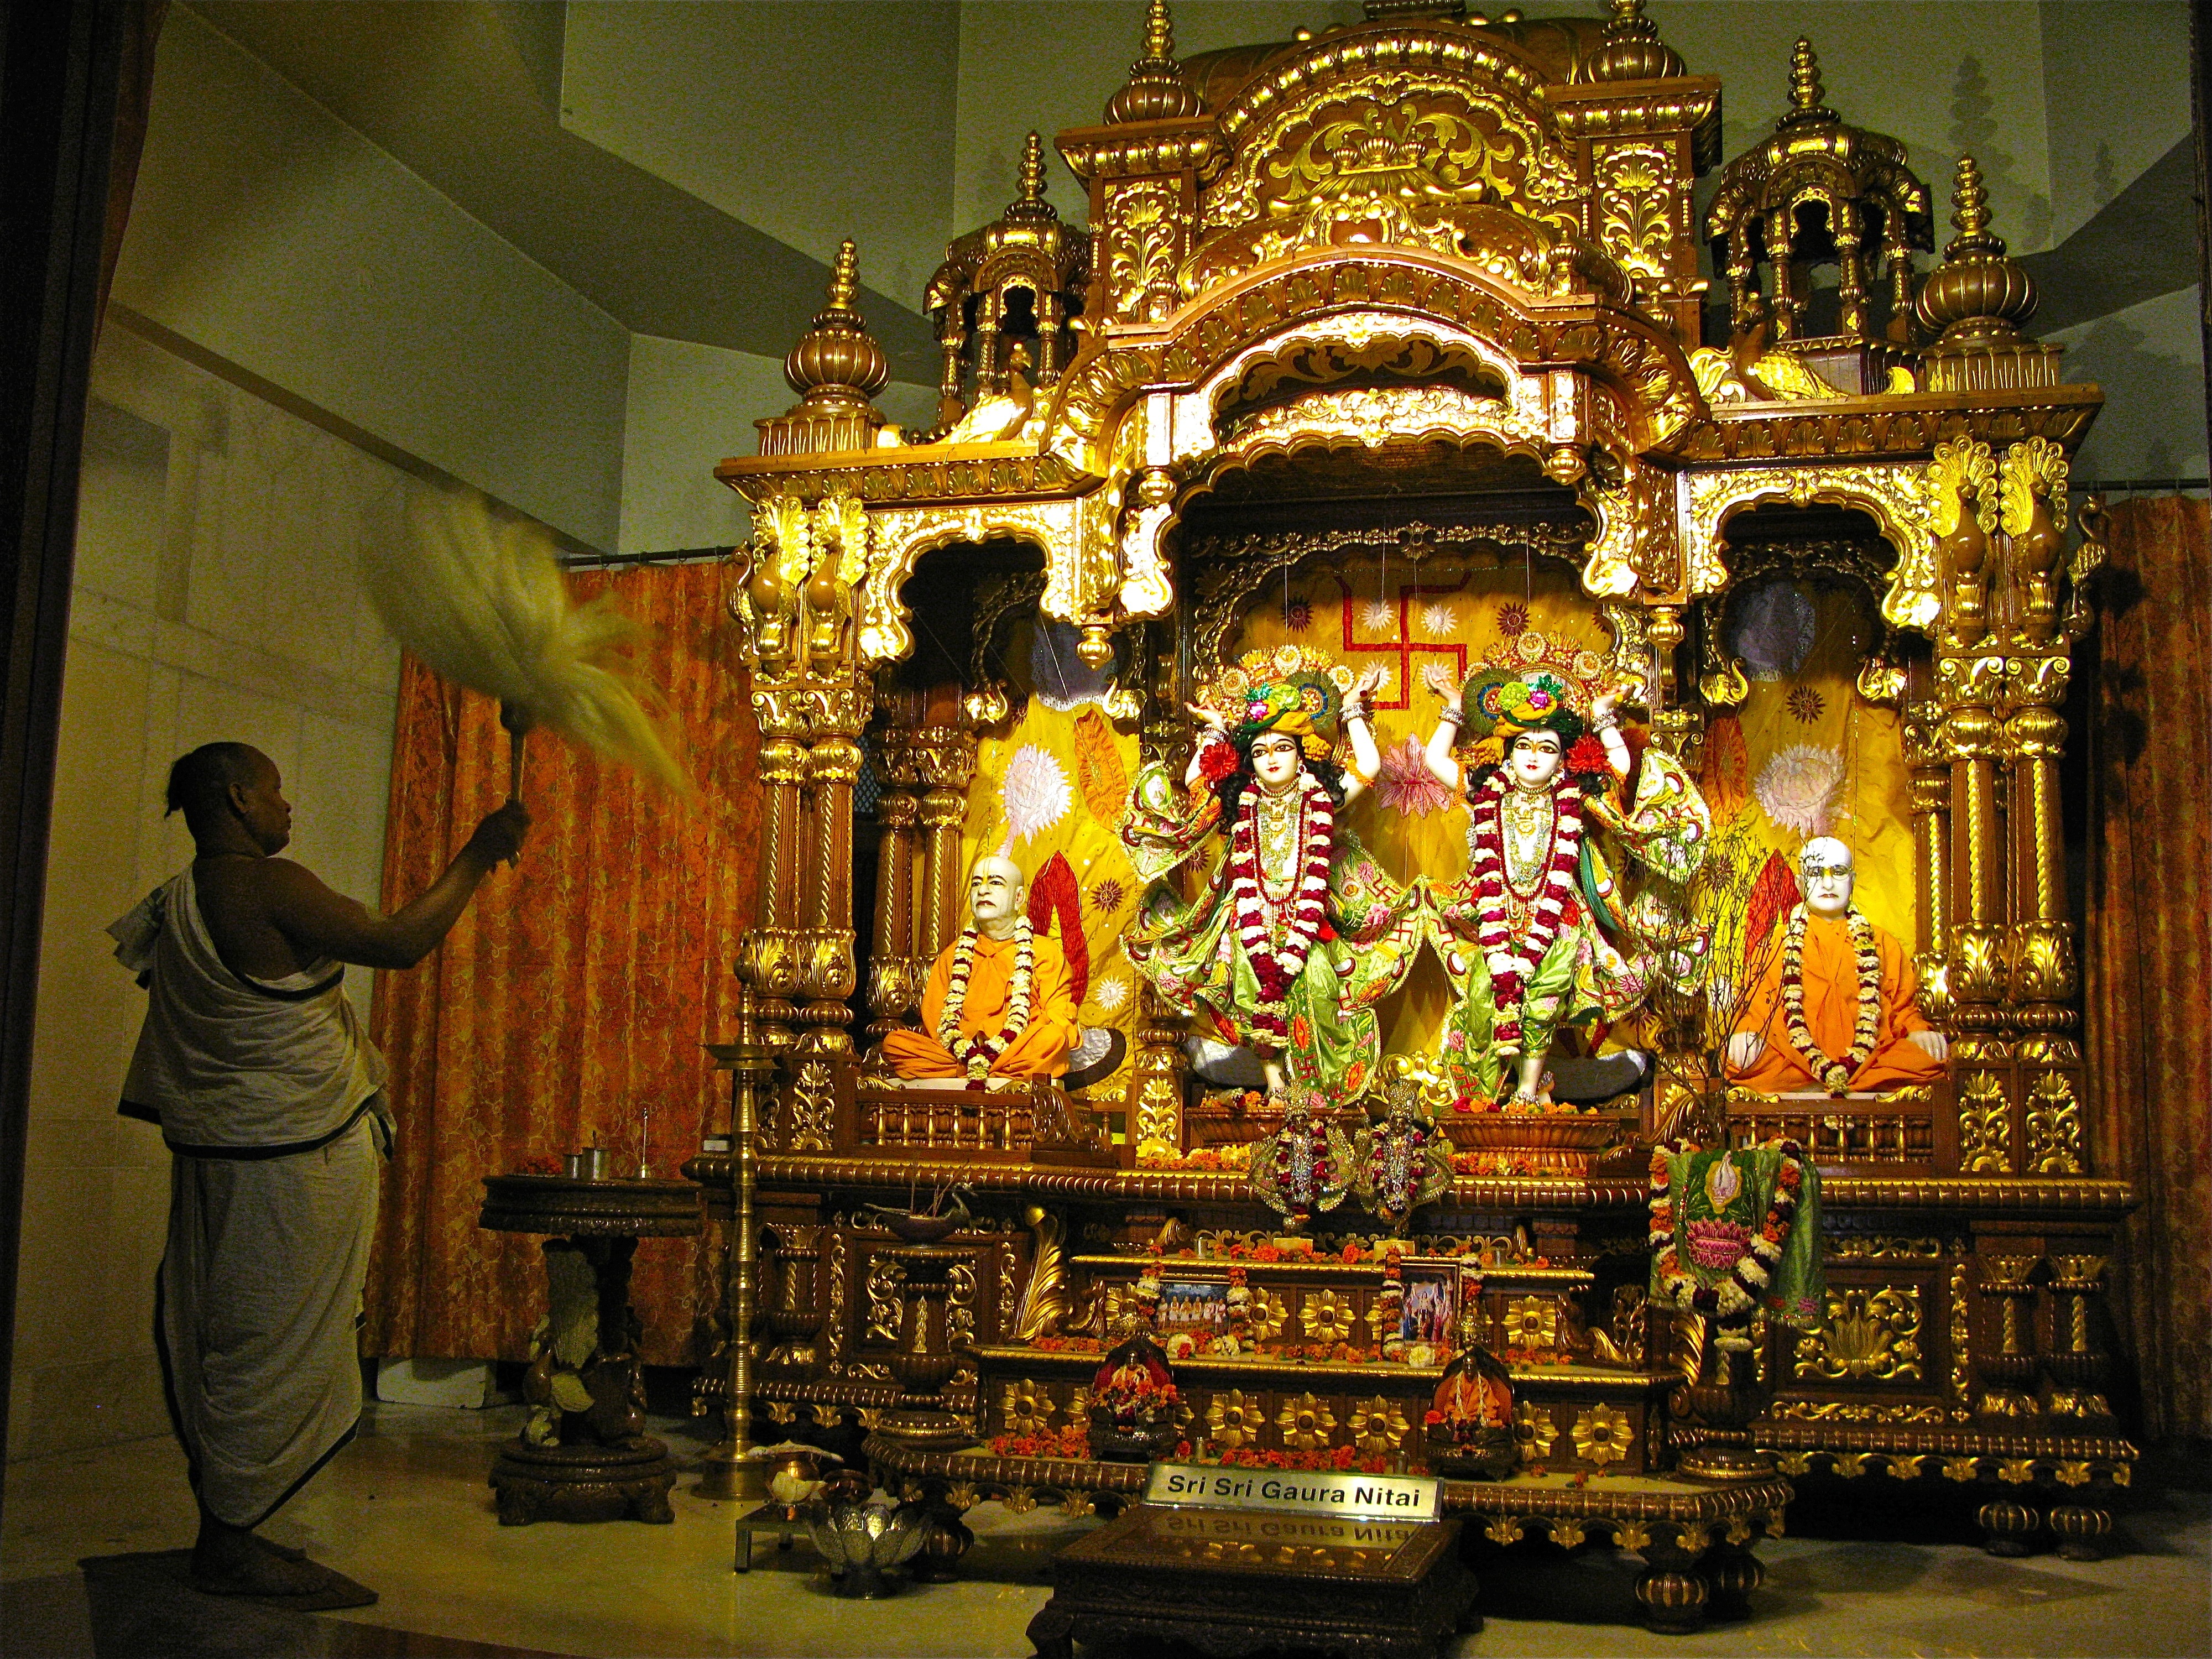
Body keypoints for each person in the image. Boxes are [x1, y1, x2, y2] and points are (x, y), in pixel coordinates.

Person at [108, 742, 528, 1604]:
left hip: (222, 1154)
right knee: (275, 1341)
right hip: (289, 1159)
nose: (286, 807)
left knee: (228, 1334)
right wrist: (479, 854)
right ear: (236, 799)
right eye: (273, 792)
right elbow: (399, 942)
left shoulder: (181, 898)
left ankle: (231, 1524)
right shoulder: (265, 883)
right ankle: (231, 1539)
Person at [1120, 646, 1423, 1098]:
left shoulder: (1318, 797)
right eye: (1260, 751)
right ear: (1249, 761)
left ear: (1301, 754)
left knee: (1319, 990)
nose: (1272, 758)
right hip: (1250, 920)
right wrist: (1215, 731)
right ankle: (1276, 1088)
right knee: (1251, 996)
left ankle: (1319, 1095)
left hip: (1310, 922)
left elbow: (1370, 767)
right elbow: (1193, 780)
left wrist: (1353, 709)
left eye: (1283, 747)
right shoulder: (1241, 803)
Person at [1421, 665, 1710, 1108]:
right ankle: (1488, 1100)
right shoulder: (1487, 794)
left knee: (1542, 1003)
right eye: (1524, 746)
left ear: (1563, 758)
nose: (1534, 756)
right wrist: (1455, 709)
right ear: (1508, 753)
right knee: (1484, 1001)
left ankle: (1527, 1095)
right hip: (1497, 917)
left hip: (1557, 920)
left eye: (1547, 748)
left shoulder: (1573, 796)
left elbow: (1621, 766)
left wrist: (1603, 715)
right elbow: (1435, 762)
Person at [1724, 836, 1948, 1094]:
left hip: (1872, 1058)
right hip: (1793, 1061)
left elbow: (1903, 1006)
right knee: (1738, 1059)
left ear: (1852, 881)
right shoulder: (1773, 946)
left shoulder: (1881, 942)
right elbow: (1753, 1010)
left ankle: (1849, 1082)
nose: (1828, 883)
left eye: (1839, 872)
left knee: (1926, 1061)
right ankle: (1817, 1082)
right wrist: (1744, 1033)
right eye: (1816, 873)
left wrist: (1918, 1031)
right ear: (1800, 883)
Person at [880, 854, 1081, 1081]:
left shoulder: (1044, 950)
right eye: (976, 884)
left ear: (1018, 897)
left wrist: (1012, 1038)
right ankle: (988, 1071)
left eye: (995, 883)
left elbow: (1058, 1014)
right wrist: (964, 1047)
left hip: (1018, 1048)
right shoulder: (954, 954)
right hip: (957, 1053)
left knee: (1052, 1039)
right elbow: (936, 1022)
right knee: (896, 1043)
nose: (983, 891)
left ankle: (980, 1071)